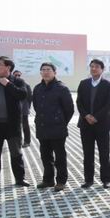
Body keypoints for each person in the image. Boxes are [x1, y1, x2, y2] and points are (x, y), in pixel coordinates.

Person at [0, 56, 30, 189]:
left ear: (8, 67)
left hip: (12, 125)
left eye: (0, 65)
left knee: (16, 153)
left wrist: (8, 84)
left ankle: (20, 178)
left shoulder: (18, 81)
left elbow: (22, 95)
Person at [32, 62, 75, 192]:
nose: (45, 72)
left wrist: (61, 121)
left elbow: (69, 109)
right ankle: (48, 180)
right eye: (43, 70)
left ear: (55, 72)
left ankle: (61, 181)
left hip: (57, 128)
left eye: (48, 70)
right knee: (45, 156)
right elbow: (36, 106)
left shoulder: (61, 88)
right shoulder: (37, 88)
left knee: (60, 156)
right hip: (42, 126)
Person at [76, 59, 110, 189]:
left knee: (104, 153)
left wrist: (96, 117)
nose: (93, 69)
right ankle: (88, 180)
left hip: (102, 124)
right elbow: (79, 102)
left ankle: (106, 180)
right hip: (85, 124)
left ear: (102, 69)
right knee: (87, 154)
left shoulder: (108, 85)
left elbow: (109, 104)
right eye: (92, 66)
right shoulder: (83, 83)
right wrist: (86, 115)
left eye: (97, 67)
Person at [12, 70, 33, 148]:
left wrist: (28, 107)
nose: (17, 76)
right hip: (14, 110)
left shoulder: (26, 85)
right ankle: (18, 142)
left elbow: (30, 97)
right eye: (15, 75)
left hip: (24, 110)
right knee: (15, 127)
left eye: (19, 75)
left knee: (25, 126)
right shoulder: (10, 85)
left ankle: (27, 141)